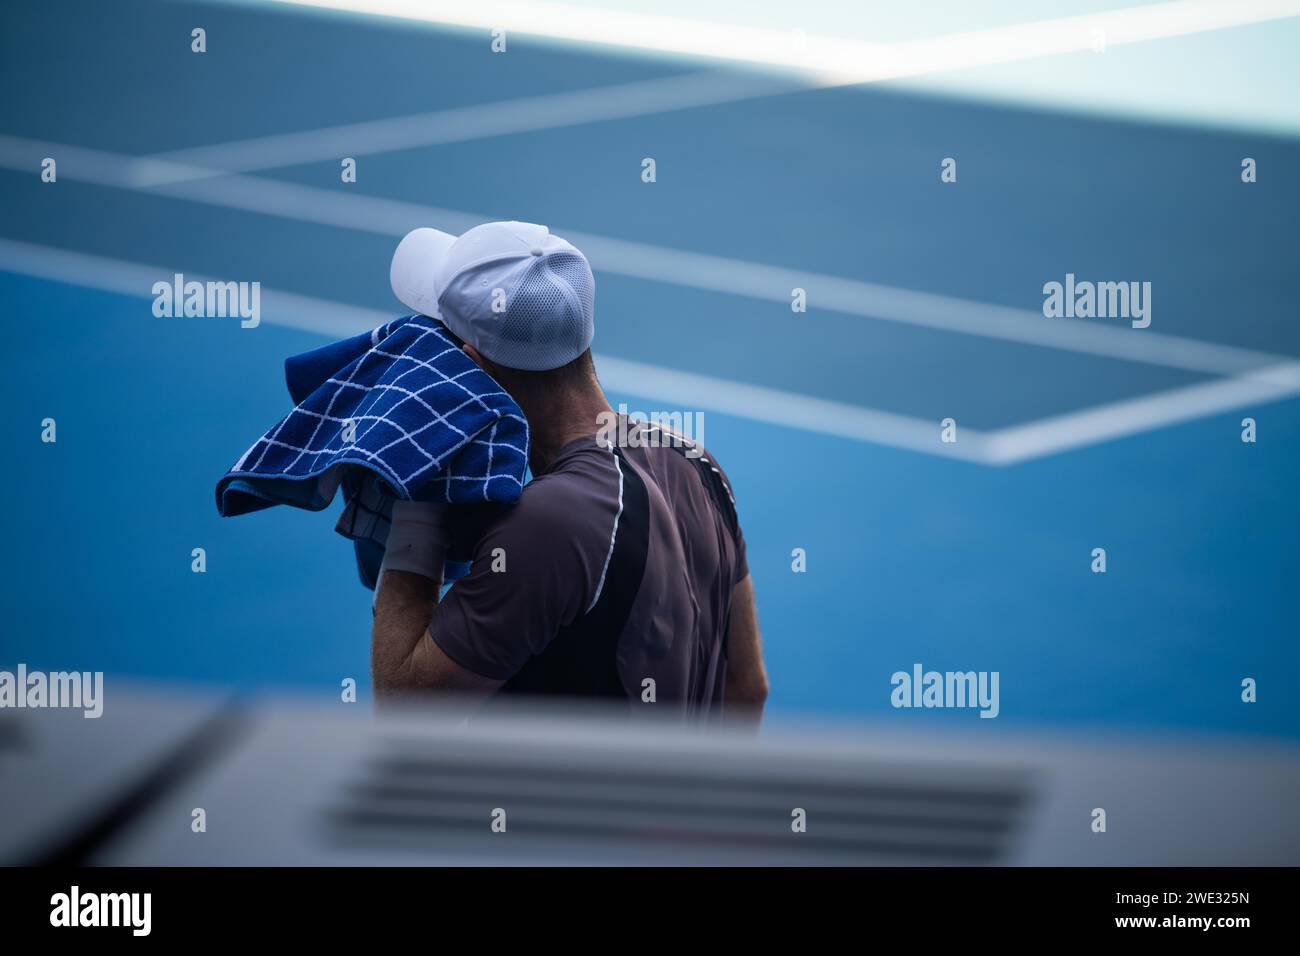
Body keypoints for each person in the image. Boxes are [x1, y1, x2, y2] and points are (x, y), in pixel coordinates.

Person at [371, 221, 767, 723]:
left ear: (471, 367)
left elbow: (403, 704)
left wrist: (417, 503)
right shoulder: (698, 463)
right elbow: (747, 689)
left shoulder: (550, 524)